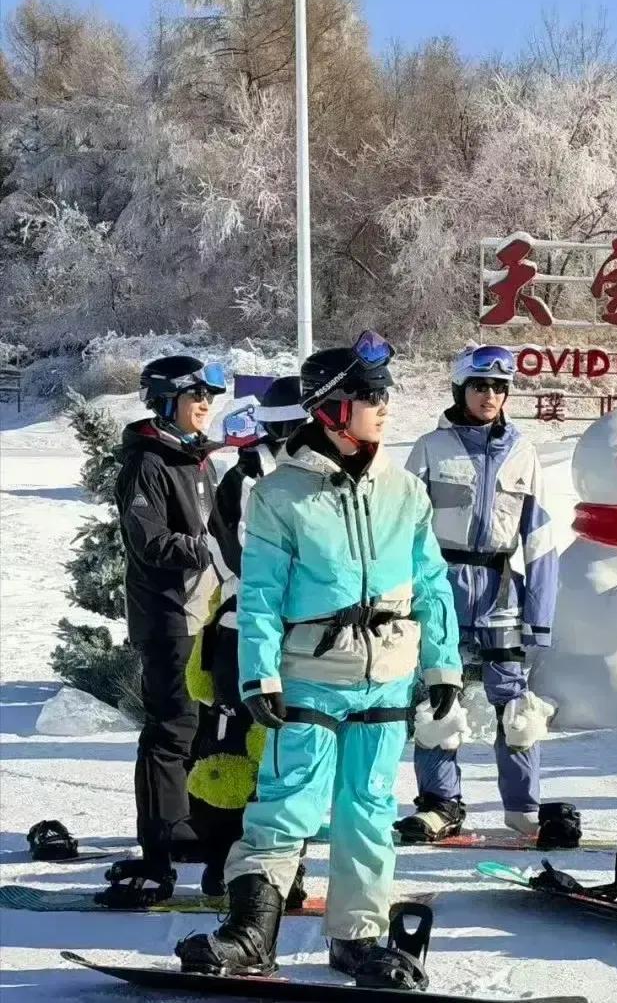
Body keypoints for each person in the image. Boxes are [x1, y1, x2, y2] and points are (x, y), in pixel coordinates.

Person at [176, 332, 461, 989]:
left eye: (385, 393)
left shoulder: (404, 491)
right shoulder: (284, 495)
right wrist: (258, 671)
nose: (384, 405)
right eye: (368, 395)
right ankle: (251, 933)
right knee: (287, 807)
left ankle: (357, 938)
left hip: (388, 672)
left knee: (367, 810)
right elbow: (261, 596)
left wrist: (443, 664)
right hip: (309, 673)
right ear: (331, 409)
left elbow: (431, 583)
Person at [396, 344, 563, 844]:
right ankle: (440, 804)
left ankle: (522, 807)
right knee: (436, 703)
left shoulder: (523, 451)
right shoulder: (429, 447)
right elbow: (400, 528)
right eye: (479, 386)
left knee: (517, 708)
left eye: (498, 387)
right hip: (437, 590)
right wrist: (399, 600)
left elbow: (540, 537)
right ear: (460, 390)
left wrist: (541, 614)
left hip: (500, 594)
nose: (489, 395)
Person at [100, 355, 226, 908]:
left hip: (204, 610)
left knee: (200, 727)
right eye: (194, 394)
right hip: (167, 614)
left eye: (209, 395)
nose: (205, 404)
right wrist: (209, 548)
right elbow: (149, 542)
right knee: (170, 728)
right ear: (165, 400)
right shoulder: (147, 462)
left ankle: (185, 828)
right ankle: (156, 850)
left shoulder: (198, 460)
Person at [186, 376, 309, 899]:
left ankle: (281, 868)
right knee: (231, 748)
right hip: (243, 632)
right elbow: (233, 556)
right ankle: (221, 863)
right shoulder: (245, 477)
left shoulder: (322, 480)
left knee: (291, 752)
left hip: (304, 638)